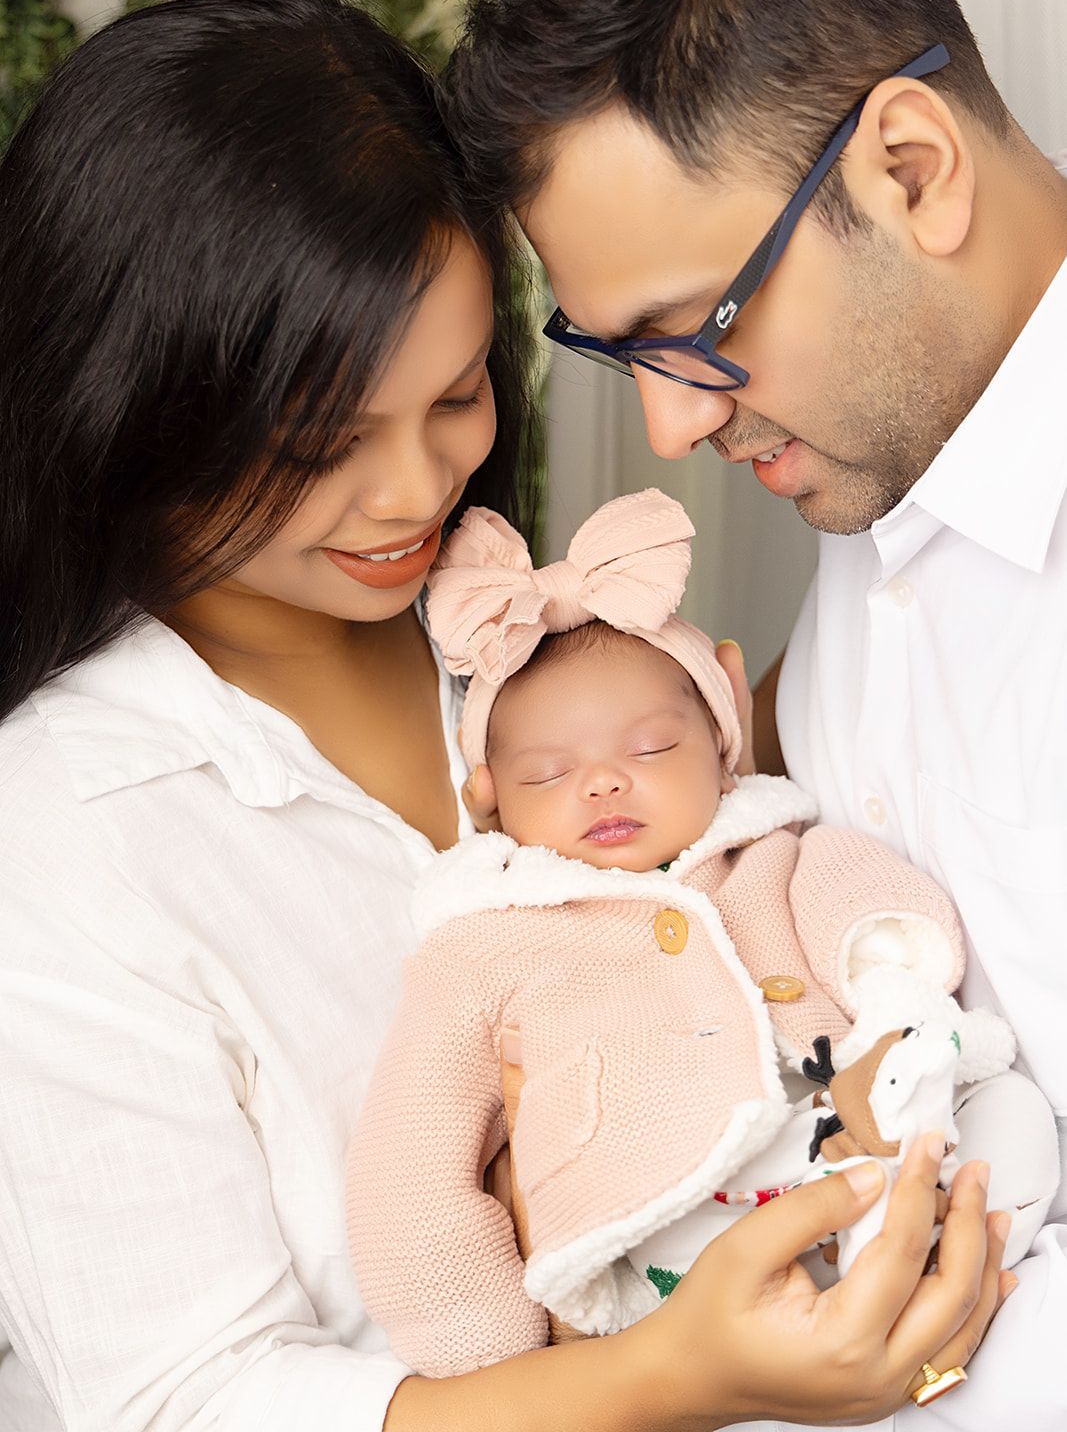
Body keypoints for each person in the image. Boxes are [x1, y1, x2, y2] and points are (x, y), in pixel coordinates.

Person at [0, 0, 1004, 1432]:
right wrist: (666, 1375)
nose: (413, 495)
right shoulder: (62, 830)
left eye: (457, 396)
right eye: (317, 442)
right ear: (132, 403)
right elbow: (178, 1401)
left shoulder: (541, 642)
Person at [444, 0, 1067, 1428]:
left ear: (909, 169)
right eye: (612, 353)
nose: (660, 431)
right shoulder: (891, 487)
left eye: (693, 330)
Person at [347, 489, 1054, 1380]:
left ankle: (931, 1258)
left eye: (648, 751)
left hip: (844, 1130)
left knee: (1014, 1115)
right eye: (551, 771)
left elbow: (870, 906)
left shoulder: (769, 856)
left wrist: (892, 1007)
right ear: (489, 796)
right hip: (668, 1223)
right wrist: (485, 1351)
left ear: (721, 748)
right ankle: (883, 1269)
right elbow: (410, 1157)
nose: (603, 786)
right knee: (687, 1254)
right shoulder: (485, 946)